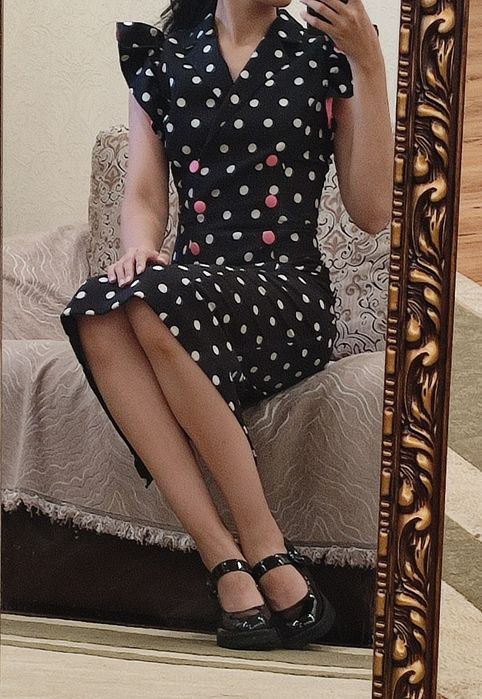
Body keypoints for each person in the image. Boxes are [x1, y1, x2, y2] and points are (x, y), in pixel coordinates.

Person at [60, 0, 393, 650]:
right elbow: (144, 196)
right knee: (97, 308)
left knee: (151, 299)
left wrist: (369, 64)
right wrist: (138, 248)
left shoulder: (326, 54)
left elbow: (373, 208)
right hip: (187, 291)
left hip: (286, 297)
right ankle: (223, 558)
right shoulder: (161, 57)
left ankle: (266, 544)